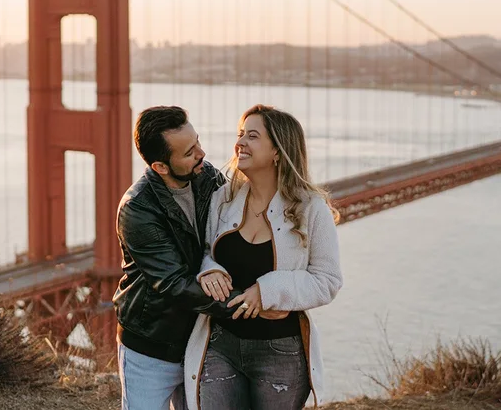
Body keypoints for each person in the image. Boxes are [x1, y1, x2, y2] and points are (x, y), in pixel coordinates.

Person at [181, 104, 344, 410]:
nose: (240, 143)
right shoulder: (223, 198)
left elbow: (328, 281)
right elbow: (205, 252)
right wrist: (210, 270)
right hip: (220, 342)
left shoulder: (311, 209)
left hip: (280, 353)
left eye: (252, 136)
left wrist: (267, 291)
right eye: (240, 134)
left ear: (278, 152)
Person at [113, 105, 245, 410]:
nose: (202, 153)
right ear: (160, 166)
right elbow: (175, 283)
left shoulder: (207, 176)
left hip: (201, 341)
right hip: (151, 348)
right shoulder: (137, 209)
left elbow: (231, 233)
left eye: (197, 142)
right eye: (189, 152)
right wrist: (248, 303)